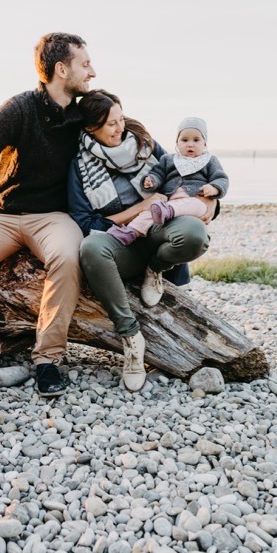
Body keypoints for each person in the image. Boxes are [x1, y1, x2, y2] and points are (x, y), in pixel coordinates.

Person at [0, 32, 96, 397]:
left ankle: (47, 359)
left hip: (54, 217)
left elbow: (128, 139)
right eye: (85, 64)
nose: (93, 72)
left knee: (67, 257)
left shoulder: (85, 112)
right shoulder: (20, 108)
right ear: (61, 69)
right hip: (3, 214)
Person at [69, 90, 213, 392]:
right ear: (89, 129)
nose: (120, 127)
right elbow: (84, 222)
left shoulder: (144, 144)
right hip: (123, 243)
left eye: (120, 118)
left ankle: (156, 269)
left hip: (161, 234)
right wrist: (138, 209)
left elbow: (188, 175)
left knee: (194, 234)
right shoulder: (79, 165)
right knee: (91, 248)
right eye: (110, 124)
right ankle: (131, 338)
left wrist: (214, 204)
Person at [106, 117, 227, 247]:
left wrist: (214, 189)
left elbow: (221, 179)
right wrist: (152, 181)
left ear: (205, 144)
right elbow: (158, 174)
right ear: (177, 143)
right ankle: (130, 232)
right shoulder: (168, 159)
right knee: (149, 212)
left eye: (196, 140)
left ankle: (167, 211)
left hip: (196, 199)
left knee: (192, 204)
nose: (190, 144)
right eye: (184, 140)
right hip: (169, 201)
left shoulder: (209, 161)